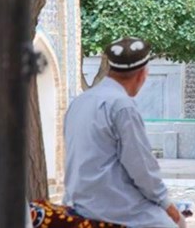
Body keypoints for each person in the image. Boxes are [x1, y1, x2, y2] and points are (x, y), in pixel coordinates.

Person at [62, 37, 184, 228]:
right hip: (114, 209)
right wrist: (167, 204)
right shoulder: (122, 106)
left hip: (79, 203)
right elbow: (141, 168)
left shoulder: (79, 102)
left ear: (110, 70)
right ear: (142, 74)